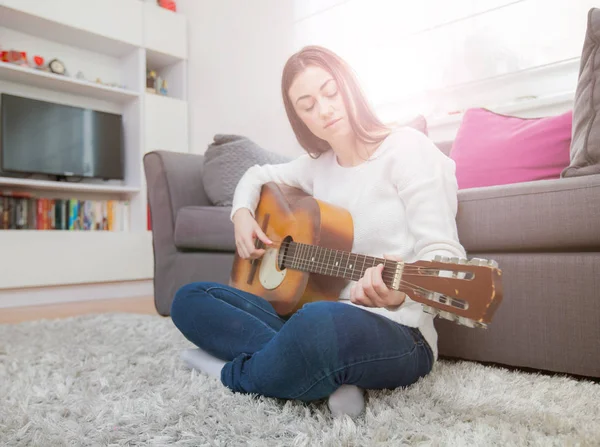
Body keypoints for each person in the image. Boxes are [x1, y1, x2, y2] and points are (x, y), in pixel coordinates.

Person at [170, 45, 467, 419]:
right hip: (316, 319)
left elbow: (447, 258)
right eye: (307, 106)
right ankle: (321, 373)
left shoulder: (409, 149)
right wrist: (241, 213)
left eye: (331, 92)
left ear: (351, 86)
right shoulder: (317, 167)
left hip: (402, 333)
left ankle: (229, 372)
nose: (324, 110)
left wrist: (402, 292)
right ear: (299, 119)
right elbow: (257, 174)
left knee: (318, 322)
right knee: (190, 298)